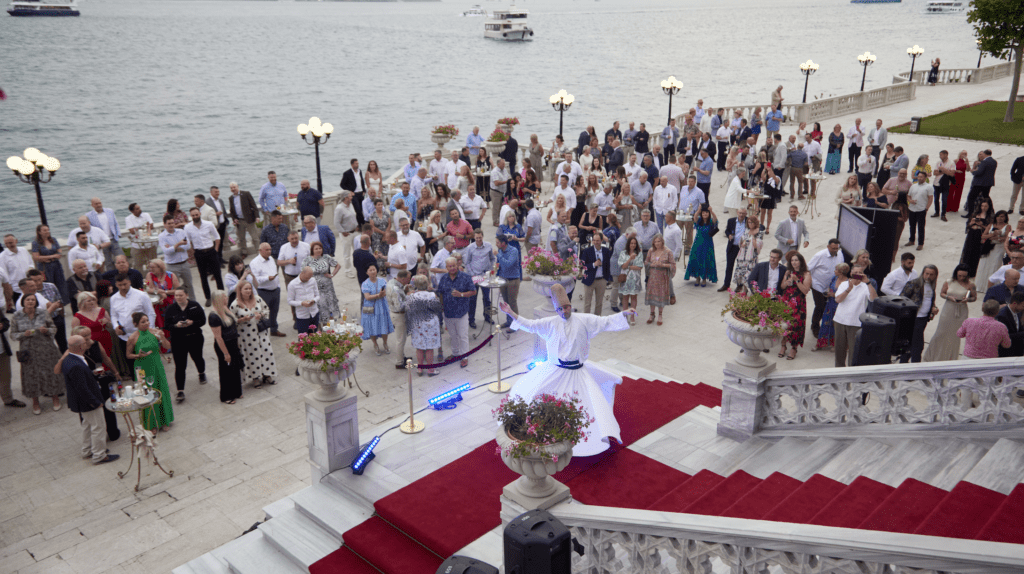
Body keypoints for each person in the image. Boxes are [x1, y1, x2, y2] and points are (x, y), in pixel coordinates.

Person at [499, 283, 635, 457]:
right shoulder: (550, 323)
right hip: (555, 371)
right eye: (560, 308)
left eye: (566, 307)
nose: (564, 311)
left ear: (570, 305)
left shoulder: (583, 319)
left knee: (583, 407)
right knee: (538, 398)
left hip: (578, 373)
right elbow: (530, 325)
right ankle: (546, 436)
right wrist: (510, 312)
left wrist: (623, 314)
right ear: (555, 309)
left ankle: (581, 441)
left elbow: (604, 321)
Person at [61, 335, 119, 464]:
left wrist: (92, 375)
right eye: (85, 342)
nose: (89, 343)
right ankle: (99, 455)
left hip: (81, 402)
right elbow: (82, 388)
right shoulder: (76, 364)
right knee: (98, 427)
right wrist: (95, 402)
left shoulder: (69, 359)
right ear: (80, 346)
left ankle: (87, 451)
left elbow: (79, 381)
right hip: (88, 402)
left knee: (87, 426)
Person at [11, 294, 65, 415]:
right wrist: (23, 334)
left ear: (36, 302)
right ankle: (35, 401)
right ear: (23, 302)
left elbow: (53, 328)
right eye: (28, 300)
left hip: (45, 347)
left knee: (50, 372)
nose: (30, 301)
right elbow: (13, 335)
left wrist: (47, 331)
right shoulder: (16, 315)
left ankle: (55, 398)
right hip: (27, 349)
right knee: (31, 375)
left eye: (33, 300)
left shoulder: (43, 313)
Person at [125, 312, 172, 431]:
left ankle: (164, 420)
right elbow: (128, 355)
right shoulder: (133, 337)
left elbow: (167, 346)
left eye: (147, 320)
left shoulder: (155, 332)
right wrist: (138, 355)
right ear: (136, 324)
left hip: (156, 365)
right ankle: (151, 423)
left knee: (161, 390)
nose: (146, 323)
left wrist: (162, 337)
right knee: (146, 394)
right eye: (143, 322)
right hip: (142, 368)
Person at [922, 264, 976, 362]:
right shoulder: (949, 282)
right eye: (960, 275)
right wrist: (948, 297)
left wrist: (967, 300)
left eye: (964, 276)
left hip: (961, 311)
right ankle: (933, 356)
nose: (961, 278)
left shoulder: (970, 284)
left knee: (955, 336)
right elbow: (942, 293)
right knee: (941, 332)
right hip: (948, 309)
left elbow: (974, 297)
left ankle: (950, 358)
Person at [231, 280, 277, 388]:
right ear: (240, 291)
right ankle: (255, 377)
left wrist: (260, 315)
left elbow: (266, 310)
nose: (248, 291)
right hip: (246, 335)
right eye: (245, 289)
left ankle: (267, 374)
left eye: (249, 288)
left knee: (266, 352)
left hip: (261, 332)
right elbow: (232, 321)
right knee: (252, 356)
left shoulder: (257, 299)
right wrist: (243, 319)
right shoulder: (235, 305)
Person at [163, 287, 206, 402]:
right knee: (180, 365)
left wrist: (192, 323)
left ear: (186, 295)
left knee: (197, 357)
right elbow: (166, 325)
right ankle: (180, 391)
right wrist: (176, 326)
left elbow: (203, 321)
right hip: (178, 340)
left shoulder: (195, 305)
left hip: (194, 337)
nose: (178, 297)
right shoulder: (171, 309)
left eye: (180, 295)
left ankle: (201, 373)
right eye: (176, 295)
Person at [110, 274, 156, 376]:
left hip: (142, 335)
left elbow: (151, 313)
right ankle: (138, 385)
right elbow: (114, 315)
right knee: (132, 364)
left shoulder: (141, 295)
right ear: (116, 284)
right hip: (125, 337)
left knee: (146, 362)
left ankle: (151, 384)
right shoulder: (114, 298)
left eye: (125, 284)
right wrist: (115, 326)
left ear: (129, 282)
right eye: (120, 285)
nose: (123, 287)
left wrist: (150, 330)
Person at [832, 264, 877, 366]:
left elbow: (874, 299)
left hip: (856, 323)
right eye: (855, 272)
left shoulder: (866, 287)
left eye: (860, 272)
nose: (857, 274)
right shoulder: (844, 284)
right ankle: (839, 373)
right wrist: (848, 289)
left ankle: (851, 373)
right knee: (839, 350)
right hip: (840, 320)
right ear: (851, 273)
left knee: (854, 351)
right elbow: (838, 299)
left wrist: (868, 283)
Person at [897, 264, 940, 363]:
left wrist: (934, 308)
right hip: (913, 318)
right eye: (926, 274)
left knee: (911, 343)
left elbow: (929, 300)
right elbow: (902, 299)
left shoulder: (931, 286)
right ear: (923, 273)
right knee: (917, 345)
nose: (928, 276)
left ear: (935, 276)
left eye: (931, 274)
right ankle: (914, 365)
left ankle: (904, 362)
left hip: (923, 318)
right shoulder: (913, 283)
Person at [437, 257, 475, 368]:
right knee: (453, 335)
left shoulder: (466, 277)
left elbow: (473, 291)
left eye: (454, 265)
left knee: (462, 336)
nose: (452, 268)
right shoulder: (444, 278)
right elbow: (440, 293)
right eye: (450, 266)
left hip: (461, 312)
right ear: (446, 267)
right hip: (448, 313)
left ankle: (464, 356)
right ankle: (455, 353)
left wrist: (461, 294)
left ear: (457, 265)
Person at [208, 290, 243, 404]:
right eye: (224, 297)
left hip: (233, 342)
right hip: (224, 345)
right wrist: (226, 353)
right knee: (226, 370)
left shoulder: (225, 309)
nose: (226, 298)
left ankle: (237, 391)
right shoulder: (214, 316)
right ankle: (227, 395)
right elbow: (218, 337)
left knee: (235, 367)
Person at [404, 275, 442, 377]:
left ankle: (420, 369)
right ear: (427, 284)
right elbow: (438, 308)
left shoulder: (412, 297)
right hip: (430, 324)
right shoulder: (432, 295)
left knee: (419, 347)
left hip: (417, 324)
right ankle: (430, 370)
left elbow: (408, 310)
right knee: (429, 348)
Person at [806, 240, 844, 339]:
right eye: (833, 248)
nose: (835, 250)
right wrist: (808, 282)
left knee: (829, 307)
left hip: (831, 286)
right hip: (817, 285)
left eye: (837, 248)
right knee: (820, 306)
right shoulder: (819, 255)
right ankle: (815, 326)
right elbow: (808, 269)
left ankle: (826, 327)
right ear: (828, 246)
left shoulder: (840, 254)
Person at [185, 207, 223, 306]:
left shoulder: (208, 224)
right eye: (193, 215)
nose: (195, 217)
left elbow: (217, 237)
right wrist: (193, 252)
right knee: (203, 277)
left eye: (196, 215)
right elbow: (188, 242)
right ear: (191, 216)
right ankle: (208, 297)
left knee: (217, 274)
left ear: (200, 214)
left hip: (211, 251)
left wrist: (216, 250)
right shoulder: (188, 227)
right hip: (199, 253)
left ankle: (221, 296)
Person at [779, 251, 812, 360]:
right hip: (786, 301)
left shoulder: (806, 274)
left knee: (796, 325)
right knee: (784, 324)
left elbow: (805, 291)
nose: (794, 262)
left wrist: (796, 280)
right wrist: (787, 281)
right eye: (792, 260)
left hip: (798, 303)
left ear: (801, 261)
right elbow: (782, 287)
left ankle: (794, 347)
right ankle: (783, 345)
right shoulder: (788, 272)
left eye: (796, 260)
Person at [249, 243, 286, 337]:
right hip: (263, 291)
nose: (269, 251)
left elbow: (275, 273)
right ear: (260, 251)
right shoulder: (254, 263)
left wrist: (278, 287)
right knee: (263, 313)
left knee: (274, 311)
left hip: (275, 290)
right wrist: (267, 278)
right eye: (267, 250)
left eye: (270, 249)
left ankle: (274, 329)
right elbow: (255, 279)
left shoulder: (271, 259)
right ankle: (262, 332)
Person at [159, 214, 196, 301]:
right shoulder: (162, 236)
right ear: (164, 224)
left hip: (184, 263)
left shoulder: (181, 232)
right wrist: (178, 244)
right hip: (172, 265)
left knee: (189, 285)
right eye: (169, 223)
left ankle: (194, 302)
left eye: (172, 223)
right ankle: (178, 305)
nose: (171, 225)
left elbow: (188, 246)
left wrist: (173, 247)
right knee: (175, 288)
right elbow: (166, 251)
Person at [302, 242, 339, 323]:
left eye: (320, 248)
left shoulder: (326, 257)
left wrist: (332, 274)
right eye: (316, 249)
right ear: (312, 250)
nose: (318, 250)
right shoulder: (307, 260)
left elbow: (337, 265)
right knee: (320, 305)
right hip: (315, 287)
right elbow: (303, 272)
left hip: (328, 286)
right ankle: (319, 324)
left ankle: (330, 322)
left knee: (329, 304)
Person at [30, 225, 68, 305]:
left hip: (56, 265)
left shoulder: (53, 240)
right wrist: (52, 256)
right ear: (39, 232)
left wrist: (50, 257)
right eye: (44, 230)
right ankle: (51, 303)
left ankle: (63, 302)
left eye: (48, 230)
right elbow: (36, 257)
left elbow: (59, 250)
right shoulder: (36, 243)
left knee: (61, 283)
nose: (47, 232)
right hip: (45, 267)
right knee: (48, 284)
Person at [813, 262, 847, 352]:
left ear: (841, 272)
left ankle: (834, 344)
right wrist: (829, 294)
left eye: (836, 270)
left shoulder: (848, 282)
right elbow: (830, 288)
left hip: (840, 306)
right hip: (830, 304)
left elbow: (847, 295)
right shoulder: (834, 278)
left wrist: (834, 294)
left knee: (836, 325)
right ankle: (820, 343)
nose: (834, 271)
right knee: (825, 323)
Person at [360, 264, 393, 355]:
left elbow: (387, 292)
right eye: (370, 270)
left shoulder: (382, 280)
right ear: (367, 272)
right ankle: (375, 344)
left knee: (383, 325)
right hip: (371, 308)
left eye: (374, 269)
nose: (373, 272)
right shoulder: (365, 283)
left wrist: (383, 293)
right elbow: (367, 297)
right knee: (372, 326)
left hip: (382, 306)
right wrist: (378, 295)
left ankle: (385, 343)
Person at [684, 206, 718, 287]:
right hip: (698, 243)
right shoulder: (699, 220)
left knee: (706, 260)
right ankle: (697, 277)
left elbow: (715, 219)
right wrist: (698, 210)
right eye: (703, 213)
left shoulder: (710, 221)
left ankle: (704, 279)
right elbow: (695, 217)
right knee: (696, 259)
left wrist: (712, 211)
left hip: (708, 244)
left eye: (706, 212)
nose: (705, 214)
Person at [644, 234, 674, 325]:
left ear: (662, 242)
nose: (657, 243)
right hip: (652, 277)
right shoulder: (651, 250)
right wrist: (651, 265)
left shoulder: (668, 251)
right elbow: (646, 262)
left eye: (659, 241)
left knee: (661, 296)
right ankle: (651, 314)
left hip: (662, 278)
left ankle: (660, 315)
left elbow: (673, 264)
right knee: (652, 295)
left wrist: (663, 265)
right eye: (655, 241)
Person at [977, 211, 1011, 290]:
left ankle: (992, 287)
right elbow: (983, 236)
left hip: (999, 248)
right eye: (998, 216)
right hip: (988, 248)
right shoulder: (990, 225)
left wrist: (996, 238)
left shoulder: (1007, 226)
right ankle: (981, 286)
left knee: (995, 265)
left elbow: (1007, 237)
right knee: (984, 264)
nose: (1000, 218)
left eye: (1002, 216)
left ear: (1005, 218)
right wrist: (992, 234)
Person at [72, 291, 113, 357]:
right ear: (82, 302)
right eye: (89, 301)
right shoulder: (77, 317)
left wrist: (107, 322)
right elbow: (74, 334)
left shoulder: (102, 310)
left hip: (106, 339)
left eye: (93, 299)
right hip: (91, 344)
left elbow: (111, 326)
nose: (92, 302)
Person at [580, 232, 611, 317]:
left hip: (601, 280)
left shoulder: (606, 251)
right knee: (587, 303)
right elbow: (583, 265)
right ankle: (586, 319)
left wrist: (607, 279)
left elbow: (608, 265)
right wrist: (594, 264)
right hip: (589, 280)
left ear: (601, 240)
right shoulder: (587, 251)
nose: (596, 242)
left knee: (599, 302)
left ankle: (597, 318)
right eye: (594, 240)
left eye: (598, 240)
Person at [961, 198, 994, 278]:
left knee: (976, 253)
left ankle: (973, 272)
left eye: (986, 206)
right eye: (982, 205)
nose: (983, 208)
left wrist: (981, 225)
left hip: (980, 236)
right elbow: (968, 226)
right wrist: (972, 223)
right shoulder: (975, 213)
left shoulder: (990, 216)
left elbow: (990, 228)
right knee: (967, 252)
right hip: (971, 235)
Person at [495, 235, 521, 330]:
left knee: (512, 303)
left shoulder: (513, 251)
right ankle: (509, 321)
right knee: (506, 303)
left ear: (503, 243)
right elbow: (501, 264)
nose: (496, 244)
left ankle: (516, 324)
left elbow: (508, 264)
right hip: (503, 279)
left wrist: (498, 255)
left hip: (512, 280)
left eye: (497, 242)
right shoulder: (500, 250)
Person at [719, 208, 748, 292]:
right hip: (733, 246)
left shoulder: (748, 221)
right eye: (740, 213)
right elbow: (727, 230)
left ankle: (739, 285)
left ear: (746, 213)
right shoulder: (731, 221)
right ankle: (726, 284)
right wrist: (729, 235)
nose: (741, 215)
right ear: (737, 212)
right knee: (729, 266)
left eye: (743, 213)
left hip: (743, 248)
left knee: (741, 267)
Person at [385, 270, 410, 368]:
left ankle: (402, 356)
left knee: (401, 338)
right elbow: (400, 306)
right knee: (401, 340)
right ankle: (399, 362)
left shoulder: (392, 282)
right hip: (399, 315)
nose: (409, 281)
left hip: (394, 313)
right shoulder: (396, 289)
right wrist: (409, 297)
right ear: (403, 279)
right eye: (408, 279)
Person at [227, 182, 260, 256]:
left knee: (254, 237)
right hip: (239, 221)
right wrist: (234, 219)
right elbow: (232, 211)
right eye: (231, 188)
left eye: (234, 187)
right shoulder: (231, 198)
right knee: (241, 238)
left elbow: (254, 205)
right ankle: (244, 252)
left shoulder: (246, 194)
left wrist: (257, 216)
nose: (233, 189)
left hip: (249, 220)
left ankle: (258, 251)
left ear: (237, 187)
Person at [287, 266, 321, 336]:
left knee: (314, 338)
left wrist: (313, 301)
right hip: (302, 316)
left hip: (314, 313)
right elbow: (289, 301)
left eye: (310, 277)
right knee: (303, 340)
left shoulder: (313, 280)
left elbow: (318, 295)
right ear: (302, 273)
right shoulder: (292, 284)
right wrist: (301, 303)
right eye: (307, 277)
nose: (308, 279)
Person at [905, 171, 934, 251]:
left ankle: (920, 243)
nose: (920, 178)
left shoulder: (928, 187)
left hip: (921, 209)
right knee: (912, 226)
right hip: (912, 209)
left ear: (925, 178)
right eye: (919, 177)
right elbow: (908, 196)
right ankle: (911, 240)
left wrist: (927, 208)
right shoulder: (913, 186)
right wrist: (910, 201)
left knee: (921, 227)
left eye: (921, 177)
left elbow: (930, 198)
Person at [734, 217, 764, 292]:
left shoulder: (759, 232)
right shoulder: (746, 230)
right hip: (742, 256)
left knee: (749, 274)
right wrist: (742, 243)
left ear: (755, 223)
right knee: (742, 273)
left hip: (751, 257)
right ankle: (744, 290)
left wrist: (753, 236)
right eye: (749, 222)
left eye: (752, 222)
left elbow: (756, 246)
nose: (750, 224)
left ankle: (751, 289)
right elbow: (741, 241)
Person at [965, 150, 998, 214]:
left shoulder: (984, 162)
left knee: (971, 197)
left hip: (980, 183)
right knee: (986, 197)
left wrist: (972, 171)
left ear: (985, 154)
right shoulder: (994, 161)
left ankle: (970, 214)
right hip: (988, 183)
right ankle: (991, 211)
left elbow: (979, 172)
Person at [996, 292, 1024, 357]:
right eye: (1023, 306)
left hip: (1017, 351)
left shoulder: (1018, 312)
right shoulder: (1002, 316)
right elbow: (1004, 336)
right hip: (1006, 353)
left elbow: (1018, 328)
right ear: (1014, 304)